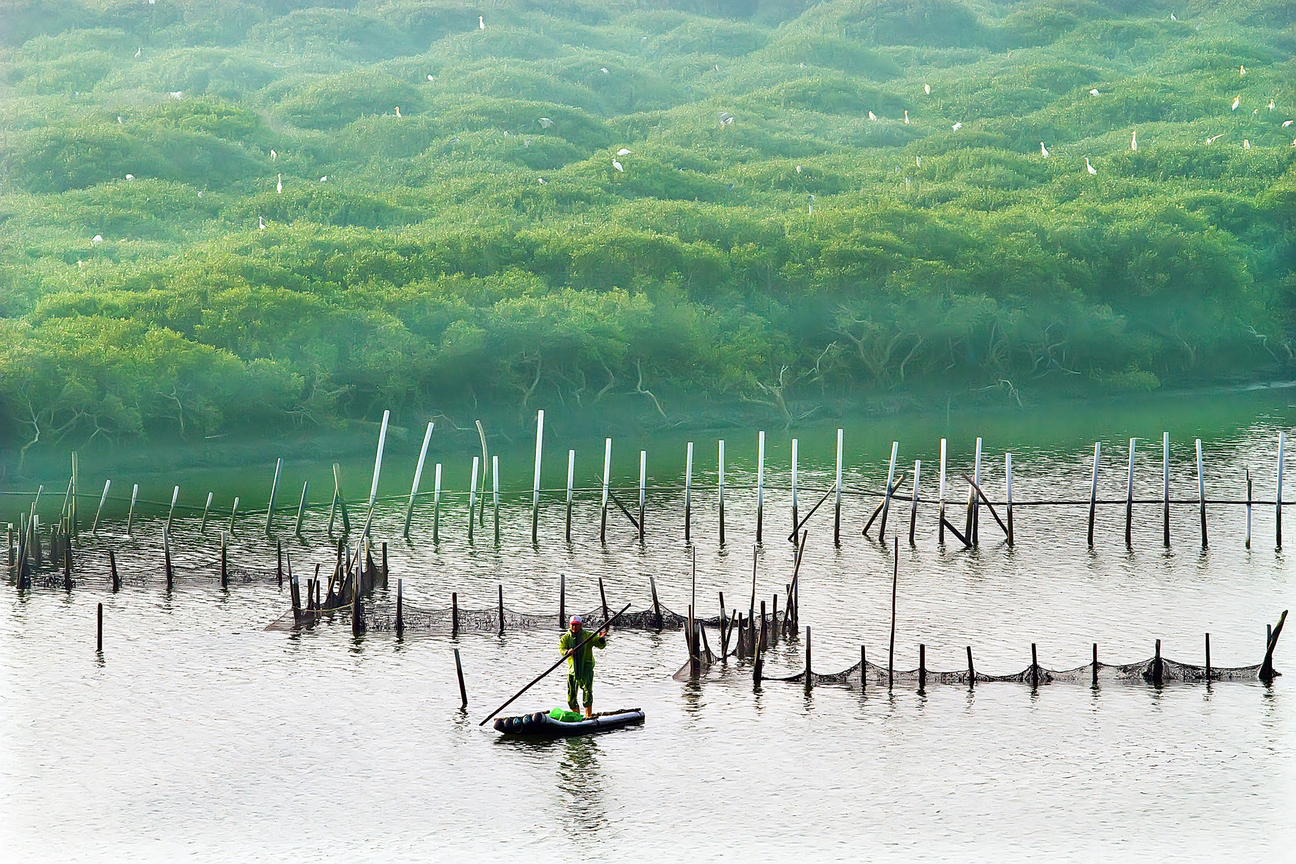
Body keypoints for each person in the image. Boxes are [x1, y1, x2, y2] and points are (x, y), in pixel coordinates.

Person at [559, 615, 607, 718]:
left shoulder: (588, 636)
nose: (574, 628)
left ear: (581, 625)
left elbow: (600, 645)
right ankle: (576, 715)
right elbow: (561, 649)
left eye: (577, 625)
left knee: (587, 691)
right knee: (571, 693)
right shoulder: (566, 638)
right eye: (573, 625)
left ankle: (588, 715)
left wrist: (601, 639)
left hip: (586, 667)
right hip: (573, 669)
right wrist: (567, 652)